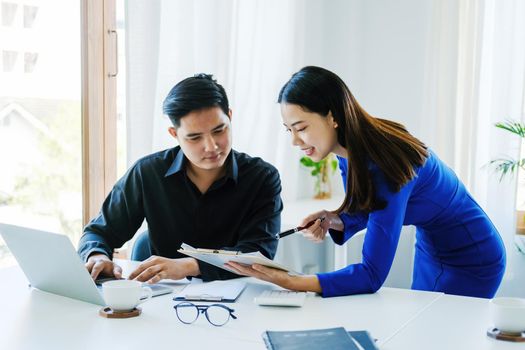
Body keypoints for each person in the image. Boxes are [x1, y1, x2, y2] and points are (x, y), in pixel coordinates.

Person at [227, 66, 506, 298]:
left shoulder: (384, 163)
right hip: (432, 249)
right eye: (289, 130)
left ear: (332, 117)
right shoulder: (351, 150)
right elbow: (373, 206)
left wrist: (290, 281)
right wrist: (333, 219)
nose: (294, 141)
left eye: (301, 128)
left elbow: (371, 275)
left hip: (471, 256)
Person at [78, 73, 282, 283]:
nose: (211, 146)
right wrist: (97, 256)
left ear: (229, 116)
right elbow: (99, 232)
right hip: (163, 300)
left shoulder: (262, 178)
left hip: (239, 300)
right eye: (194, 137)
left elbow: (259, 253)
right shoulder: (148, 173)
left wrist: (189, 266)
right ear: (174, 134)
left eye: (219, 130)